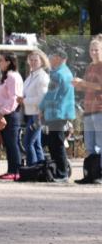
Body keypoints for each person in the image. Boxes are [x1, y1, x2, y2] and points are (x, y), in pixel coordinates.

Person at [40, 48, 75, 182]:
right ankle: (60, 171)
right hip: (63, 113)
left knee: (56, 144)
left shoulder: (57, 74)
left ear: (59, 58)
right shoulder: (67, 72)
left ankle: (61, 173)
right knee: (56, 142)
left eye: (51, 56)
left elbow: (50, 95)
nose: (49, 58)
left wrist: (41, 108)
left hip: (55, 113)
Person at [0, 52, 23, 179]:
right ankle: (11, 169)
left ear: (9, 62)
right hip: (4, 114)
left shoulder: (13, 77)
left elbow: (13, 98)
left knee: (12, 143)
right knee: (8, 143)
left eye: (1, 61)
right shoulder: (6, 77)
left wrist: (1, 113)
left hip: (10, 114)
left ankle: (16, 170)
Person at [72, 35, 102, 162]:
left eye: (97, 50)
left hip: (100, 110)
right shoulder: (90, 67)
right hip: (89, 110)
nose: (94, 52)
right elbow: (87, 87)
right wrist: (78, 86)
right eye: (91, 50)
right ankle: (91, 173)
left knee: (100, 145)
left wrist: (83, 83)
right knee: (89, 146)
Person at [21, 49, 51, 166]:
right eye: (31, 60)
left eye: (36, 60)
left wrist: (24, 100)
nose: (33, 62)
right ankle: (40, 169)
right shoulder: (31, 76)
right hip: (30, 113)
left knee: (28, 142)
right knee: (36, 144)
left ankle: (32, 167)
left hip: (37, 115)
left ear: (42, 62)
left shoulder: (42, 77)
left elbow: (42, 99)